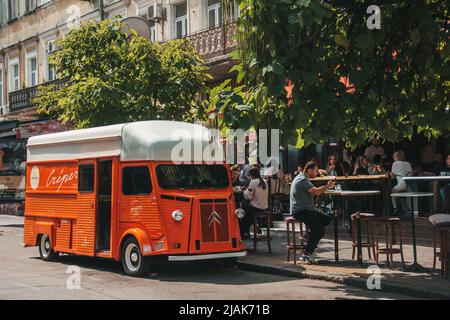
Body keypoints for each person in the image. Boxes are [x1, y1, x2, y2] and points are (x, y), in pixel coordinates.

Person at [290, 161, 335, 264]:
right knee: (319, 231)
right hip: (301, 210)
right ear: (309, 170)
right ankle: (306, 254)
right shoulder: (302, 179)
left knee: (326, 219)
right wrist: (328, 186)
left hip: (307, 209)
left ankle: (308, 237)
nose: (316, 173)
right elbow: (315, 191)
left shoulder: (302, 177)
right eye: (315, 171)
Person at [240, 167, 269, 239]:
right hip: (264, 207)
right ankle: (248, 230)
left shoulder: (253, 182)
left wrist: (243, 191)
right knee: (248, 215)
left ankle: (243, 233)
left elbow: (248, 196)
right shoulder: (264, 182)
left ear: (251, 175)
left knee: (243, 212)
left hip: (255, 208)